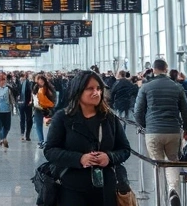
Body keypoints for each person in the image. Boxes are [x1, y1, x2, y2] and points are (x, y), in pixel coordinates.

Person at [43, 71, 132, 206]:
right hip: (71, 188)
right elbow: (50, 150)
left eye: (98, 89)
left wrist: (109, 157)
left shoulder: (109, 118)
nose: (96, 92)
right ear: (78, 91)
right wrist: (79, 158)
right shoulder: (62, 118)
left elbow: (124, 149)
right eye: (90, 89)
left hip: (105, 188)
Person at [134, 58, 187, 206]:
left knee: (157, 165)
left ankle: (160, 198)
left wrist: (145, 126)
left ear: (153, 70)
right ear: (166, 70)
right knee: (172, 162)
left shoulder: (146, 87)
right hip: (173, 131)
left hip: (153, 131)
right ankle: (173, 192)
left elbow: (138, 112)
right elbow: (186, 111)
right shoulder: (177, 87)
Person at [32, 72, 56, 149]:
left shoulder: (49, 88)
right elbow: (33, 97)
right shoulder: (36, 87)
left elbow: (54, 97)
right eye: (39, 80)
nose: (41, 82)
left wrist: (52, 105)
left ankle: (46, 141)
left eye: (42, 80)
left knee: (47, 126)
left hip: (47, 110)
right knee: (38, 125)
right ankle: (41, 140)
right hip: (38, 109)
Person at [0, 73, 16, 149]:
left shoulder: (8, 89)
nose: (2, 81)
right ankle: (3, 139)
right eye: (1, 80)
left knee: (7, 127)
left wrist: (14, 109)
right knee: (0, 126)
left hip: (7, 110)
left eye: (4, 80)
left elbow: (12, 99)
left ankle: (3, 138)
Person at [18, 71, 35, 142]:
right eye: (21, 76)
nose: (21, 78)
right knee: (22, 119)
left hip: (27, 103)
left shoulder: (29, 83)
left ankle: (27, 134)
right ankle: (22, 133)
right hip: (21, 103)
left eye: (23, 76)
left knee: (29, 119)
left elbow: (31, 92)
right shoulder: (19, 83)